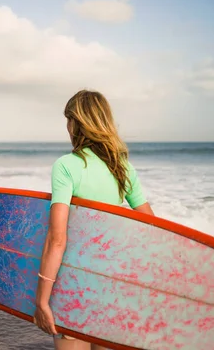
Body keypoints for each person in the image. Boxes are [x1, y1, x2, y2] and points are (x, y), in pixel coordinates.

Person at [33, 90, 155, 350]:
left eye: (69, 120)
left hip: (75, 289)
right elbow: (151, 228)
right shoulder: (123, 167)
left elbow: (57, 239)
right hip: (113, 288)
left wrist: (41, 301)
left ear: (77, 123)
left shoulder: (66, 166)